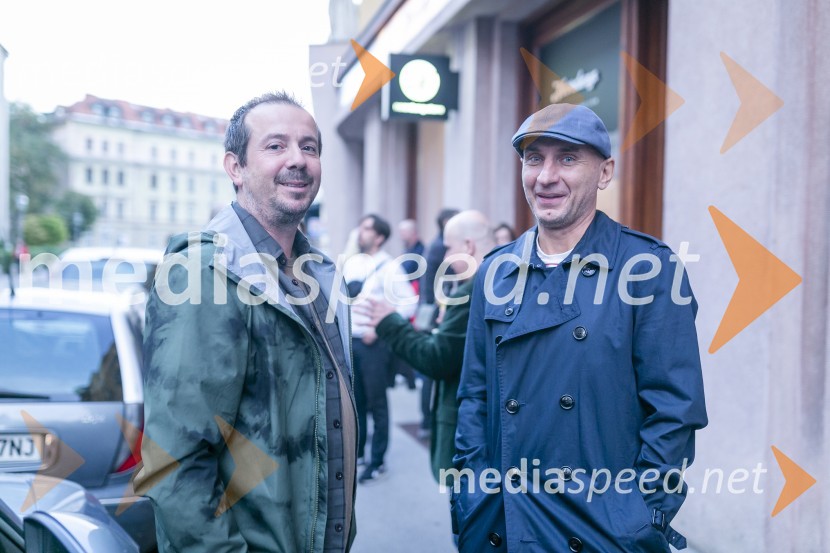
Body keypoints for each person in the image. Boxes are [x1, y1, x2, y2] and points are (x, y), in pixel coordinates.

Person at [452, 104, 707, 552]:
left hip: (599, 531)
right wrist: (469, 492)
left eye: (567, 158)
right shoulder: (495, 271)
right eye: (534, 158)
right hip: (503, 524)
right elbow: (474, 396)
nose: (546, 176)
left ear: (604, 172)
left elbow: (675, 411)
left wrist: (638, 516)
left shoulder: (649, 270)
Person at [135, 92, 358, 552]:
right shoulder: (201, 272)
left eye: (310, 147)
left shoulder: (319, 272)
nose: (298, 160)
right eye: (276, 146)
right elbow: (175, 463)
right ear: (235, 168)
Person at [361, 210, 494, 484]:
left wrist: (389, 322)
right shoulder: (499, 281)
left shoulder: (472, 290)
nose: (446, 259)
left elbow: (437, 358)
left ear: (468, 246)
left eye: (448, 249)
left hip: (471, 433)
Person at [343, 214, 416, 483]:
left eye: (366, 229)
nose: (360, 233)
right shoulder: (353, 263)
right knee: (356, 401)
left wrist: (381, 327)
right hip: (352, 342)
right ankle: (360, 453)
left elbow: (409, 302)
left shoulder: (390, 267)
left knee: (377, 403)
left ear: (380, 237)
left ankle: (377, 460)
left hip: (374, 345)